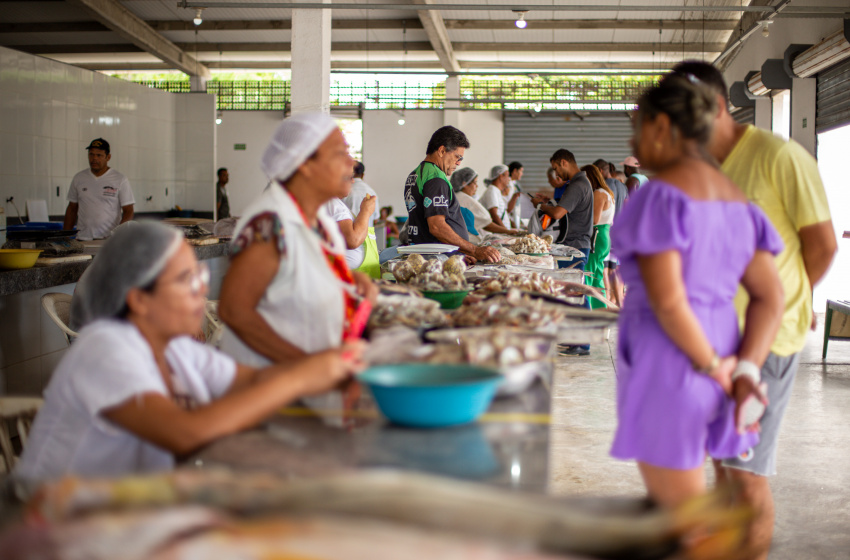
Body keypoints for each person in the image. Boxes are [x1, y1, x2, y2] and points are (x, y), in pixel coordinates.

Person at [14, 222, 362, 484]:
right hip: (56, 525)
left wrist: (328, 372)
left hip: (125, 510)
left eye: (199, 275)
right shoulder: (104, 349)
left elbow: (253, 381)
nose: (200, 291)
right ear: (139, 299)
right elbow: (184, 433)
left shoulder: (177, 350)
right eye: (185, 280)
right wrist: (299, 379)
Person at [669, 61, 837, 560]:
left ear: (719, 106)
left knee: (746, 478)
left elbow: (823, 245)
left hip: (765, 344)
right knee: (724, 467)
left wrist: (794, 299)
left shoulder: (778, 157)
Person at [609, 74, 785, 516]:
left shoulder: (661, 198)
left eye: (637, 129)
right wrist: (742, 368)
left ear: (662, 127)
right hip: (724, 352)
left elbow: (669, 302)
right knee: (711, 511)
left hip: (672, 360)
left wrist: (709, 366)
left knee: (679, 519)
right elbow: (770, 297)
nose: (633, 142)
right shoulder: (738, 202)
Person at [218, 113, 378, 367]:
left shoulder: (319, 217)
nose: (351, 163)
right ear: (305, 164)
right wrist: (305, 364)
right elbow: (234, 311)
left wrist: (351, 280)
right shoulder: (268, 223)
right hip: (270, 373)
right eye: (340, 153)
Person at [403, 126, 500, 263]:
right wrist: (474, 250)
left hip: (429, 255)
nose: (459, 163)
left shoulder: (417, 173)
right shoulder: (436, 179)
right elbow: (437, 227)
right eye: (457, 157)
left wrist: (459, 251)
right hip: (435, 260)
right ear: (442, 151)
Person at [531, 150, 594, 269]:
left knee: (572, 281)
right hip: (576, 245)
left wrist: (539, 205)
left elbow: (557, 213)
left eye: (556, 169)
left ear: (564, 162)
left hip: (575, 246)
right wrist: (549, 203)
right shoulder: (580, 183)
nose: (556, 174)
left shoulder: (577, 185)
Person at [63, 138, 134, 240]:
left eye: (99, 155)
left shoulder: (120, 179)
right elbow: (72, 209)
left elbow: (128, 210)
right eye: (91, 154)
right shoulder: (79, 178)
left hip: (108, 240)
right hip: (83, 238)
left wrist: (118, 235)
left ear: (108, 157)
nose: (94, 158)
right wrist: (65, 237)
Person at [325, 174, 380, 277]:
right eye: (349, 176)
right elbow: (353, 240)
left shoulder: (334, 202)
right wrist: (366, 211)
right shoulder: (332, 203)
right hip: (350, 277)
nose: (353, 181)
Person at [451, 167, 521, 244]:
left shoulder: (455, 197)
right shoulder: (466, 199)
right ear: (464, 184)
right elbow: (488, 224)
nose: (477, 186)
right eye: (475, 182)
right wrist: (507, 231)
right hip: (470, 242)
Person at [593, 159, 628, 307]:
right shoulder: (622, 186)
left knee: (604, 270)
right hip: (621, 233)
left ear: (600, 171)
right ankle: (618, 302)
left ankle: (606, 302)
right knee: (616, 270)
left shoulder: (603, 188)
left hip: (606, 231)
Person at [582, 164, 615, 310]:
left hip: (597, 235)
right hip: (604, 235)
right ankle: (600, 308)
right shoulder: (607, 192)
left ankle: (587, 309)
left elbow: (594, 220)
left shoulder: (599, 193)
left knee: (588, 275)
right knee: (597, 276)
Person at [479, 164, 517, 230]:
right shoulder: (492, 191)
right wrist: (506, 231)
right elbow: (494, 215)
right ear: (501, 176)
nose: (509, 179)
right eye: (508, 175)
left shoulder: (496, 191)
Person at [343, 161, 379, 228]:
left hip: (348, 232)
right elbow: (375, 220)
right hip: (368, 232)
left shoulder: (344, 191)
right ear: (362, 175)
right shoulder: (372, 192)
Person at [507, 161, 525, 228]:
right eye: (521, 171)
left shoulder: (515, 183)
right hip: (509, 218)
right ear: (515, 171)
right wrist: (510, 220)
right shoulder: (507, 184)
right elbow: (506, 205)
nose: (522, 174)